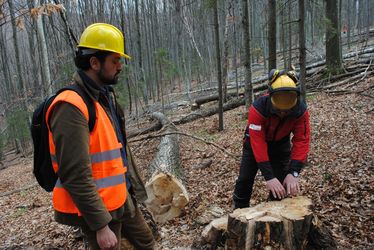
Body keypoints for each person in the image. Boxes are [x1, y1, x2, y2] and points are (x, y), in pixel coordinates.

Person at [45, 23, 155, 250]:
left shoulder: (105, 97)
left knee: (146, 242)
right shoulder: (70, 106)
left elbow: (118, 150)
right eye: (115, 60)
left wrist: (132, 190)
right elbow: (74, 173)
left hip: (121, 197)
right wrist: (100, 226)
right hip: (100, 209)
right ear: (94, 63)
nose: (120, 66)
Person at [233, 69, 310, 209]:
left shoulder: (300, 111)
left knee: (280, 183)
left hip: (281, 145)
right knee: (245, 179)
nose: (282, 113)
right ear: (271, 96)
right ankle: (238, 210)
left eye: (286, 110)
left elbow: (302, 140)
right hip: (254, 144)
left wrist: (294, 172)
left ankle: (276, 211)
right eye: (279, 109)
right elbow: (258, 143)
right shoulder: (258, 108)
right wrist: (268, 176)